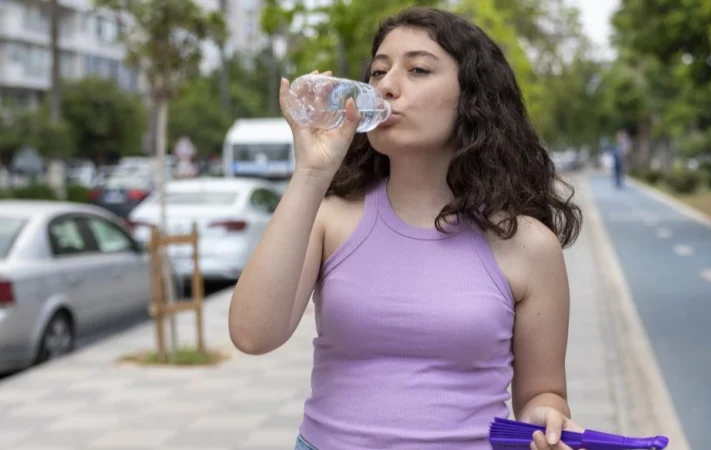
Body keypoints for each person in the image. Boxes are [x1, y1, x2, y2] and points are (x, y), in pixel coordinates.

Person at [229, 6, 584, 450]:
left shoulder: (527, 244)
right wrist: (311, 175)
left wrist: (548, 420)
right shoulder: (331, 216)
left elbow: (540, 394)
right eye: (379, 71)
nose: (387, 86)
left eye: (417, 69)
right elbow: (252, 334)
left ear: (474, 98)